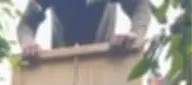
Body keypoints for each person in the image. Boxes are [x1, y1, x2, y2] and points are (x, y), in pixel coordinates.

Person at [17, 0, 153, 59]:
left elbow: (140, 6)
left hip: (104, 58)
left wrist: (134, 34)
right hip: (63, 60)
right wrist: (28, 42)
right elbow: (27, 22)